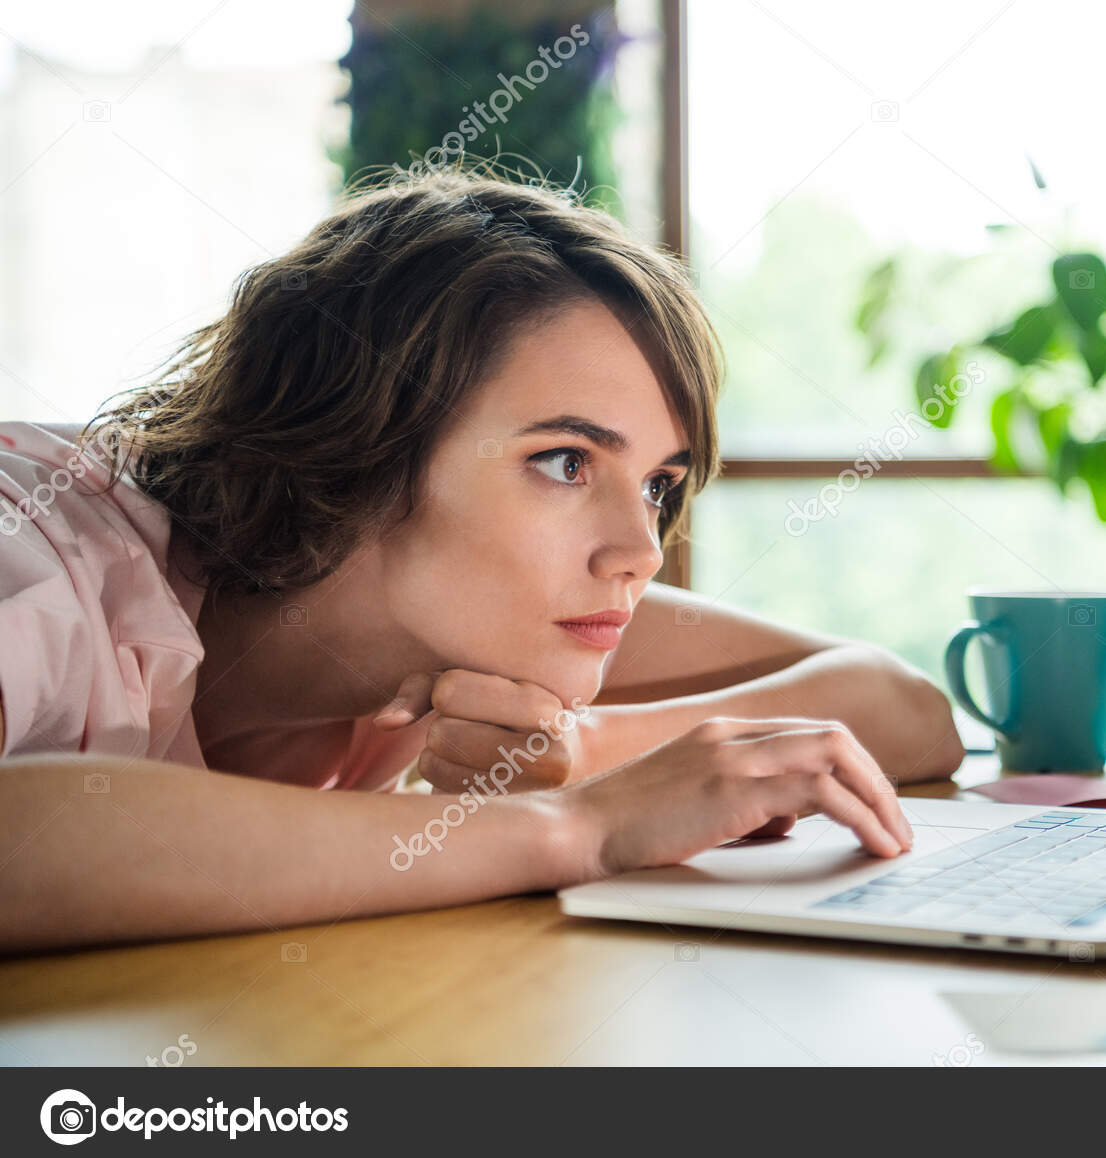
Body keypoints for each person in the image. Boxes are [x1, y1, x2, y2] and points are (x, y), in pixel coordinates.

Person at [0, 168, 965, 952]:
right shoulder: (34, 555)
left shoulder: (478, 622)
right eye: (563, 461)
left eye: (659, 483)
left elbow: (902, 707)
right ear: (353, 445)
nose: (639, 551)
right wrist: (578, 824)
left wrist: (589, 752)